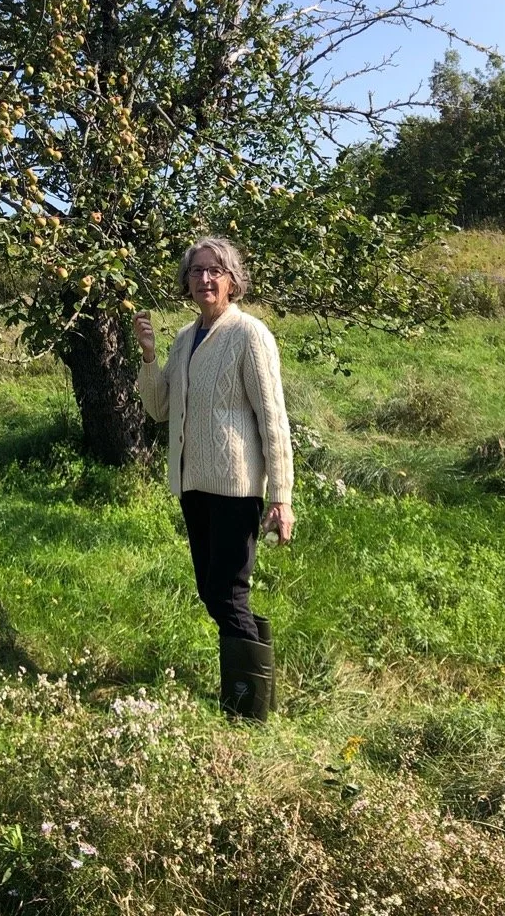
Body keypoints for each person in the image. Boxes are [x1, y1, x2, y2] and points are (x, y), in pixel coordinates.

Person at [133, 237, 295, 721]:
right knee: (212, 591)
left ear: (232, 281)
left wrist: (281, 496)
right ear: (186, 281)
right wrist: (147, 356)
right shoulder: (184, 339)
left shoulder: (249, 335)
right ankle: (249, 691)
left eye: (216, 271)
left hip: (235, 485)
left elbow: (273, 417)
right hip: (193, 484)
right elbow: (160, 410)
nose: (206, 279)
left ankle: (248, 709)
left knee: (228, 592)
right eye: (198, 271)